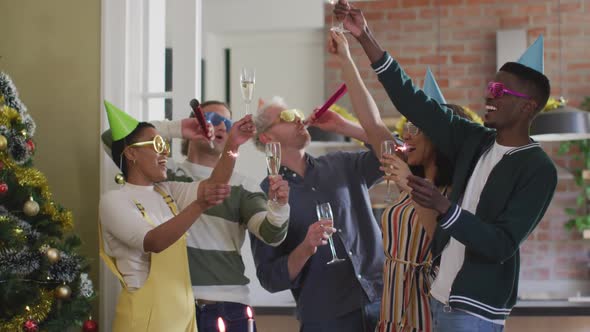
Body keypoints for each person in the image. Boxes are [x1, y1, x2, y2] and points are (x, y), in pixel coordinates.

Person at [337, 3, 557, 331]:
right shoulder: (476, 141)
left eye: (499, 91)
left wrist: (442, 207)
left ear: (527, 107)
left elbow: (500, 245)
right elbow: (412, 100)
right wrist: (365, 36)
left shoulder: (538, 168)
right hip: (439, 297)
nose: (489, 96)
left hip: (475, 310)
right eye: (489, 88)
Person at [328, 31, 480, 332]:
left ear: (440, 138)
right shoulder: (408, 179)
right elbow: (372, 122)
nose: (406, 134)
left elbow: (443, 240)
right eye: (407, 126)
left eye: (415, 128)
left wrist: (410, 184)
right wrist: (346, 57)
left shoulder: (453, 192)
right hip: (393, 304)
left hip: (428, 306)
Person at [99, 101, 255, 331]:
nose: (165, 152)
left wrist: (233, 145)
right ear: (131, 152)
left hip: (184, 319)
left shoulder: (167, 191)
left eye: (165, 145)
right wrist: (177, 129)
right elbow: (154, 241)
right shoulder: (114, 201)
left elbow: (214, 185)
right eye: (157, 144)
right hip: (146, 321)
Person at [153, 100, 290, 332]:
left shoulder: (243, 185)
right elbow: (114, 138)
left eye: (227, 123)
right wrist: (177, 128)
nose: (221, 127)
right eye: (212, 120)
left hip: (229, 309)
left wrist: (278, 207)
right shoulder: (165, 173)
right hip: (171, 305)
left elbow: (271, 235)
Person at [250, 96, 385, 332]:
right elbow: (269, 277)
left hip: (383, 304)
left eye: (296, 111)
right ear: (266, 137)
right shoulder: (264, 197)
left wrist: (345, 127)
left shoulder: (343, 164)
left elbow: (392, 152)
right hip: (325, 318)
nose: (298, 119)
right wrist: (305, 248)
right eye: (286, 117)